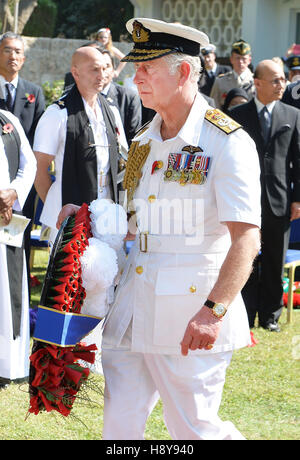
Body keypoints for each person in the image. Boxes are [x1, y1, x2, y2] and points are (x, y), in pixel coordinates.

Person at [58, 18, 261, 440]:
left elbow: (246, 236)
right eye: (137, 69)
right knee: (119, 426)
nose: (136, 79)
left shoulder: (227, 141)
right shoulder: (143, 141)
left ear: (183, 72)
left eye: (147, 69)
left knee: (193, 428)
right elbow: (132, 224)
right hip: (132, 308)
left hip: (188, 311)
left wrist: (214, 310)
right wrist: (87, 218)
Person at [230, 60, 300, 331]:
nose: (281, 85)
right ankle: (245, 315)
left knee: (274, 258)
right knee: (244, 258)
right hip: (244, 199)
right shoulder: (238, 115)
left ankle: (270, 316)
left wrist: (297, 198)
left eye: (282, 79)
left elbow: (297, 159)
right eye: (274, 80)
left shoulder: (292, 115)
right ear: (257, 83)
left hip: (279, 200)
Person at [33, 46, 125, 243]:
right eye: (94, 69)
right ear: (76, 72)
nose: (102, 75)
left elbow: (122, 160)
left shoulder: (111, 111)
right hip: (66, 213)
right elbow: (38, 169)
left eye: (104, 68)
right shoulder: (57, 114)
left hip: (107, 211)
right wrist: (59, 206)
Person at [0, 31, 45, 296]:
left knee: (21, 239)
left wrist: (21, 186)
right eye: (7, 50)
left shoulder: (33, 92)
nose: (12, 56)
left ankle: (20, 294)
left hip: (22, 184)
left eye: (17, 51)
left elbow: (37, 141)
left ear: (24, 58)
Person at [0, 108, 36, 388]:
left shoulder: (7, 119)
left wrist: (14, 192)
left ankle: (6, 364)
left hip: (5, 219)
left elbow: (30, 163)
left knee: (7, 290)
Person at [101, 49, 142, 144]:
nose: (102, 72)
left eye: (107, 66)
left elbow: (134, 137)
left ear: (113, 69)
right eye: (96, 67)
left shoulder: (128, 97)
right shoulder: (81, 96)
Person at [210, 39, 255, 109]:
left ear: (249, 60)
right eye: (237, 58)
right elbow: (213, 107)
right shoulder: (220, 81)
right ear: (231, 59)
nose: (240, 62)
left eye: (244, 58)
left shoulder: (256, 82)